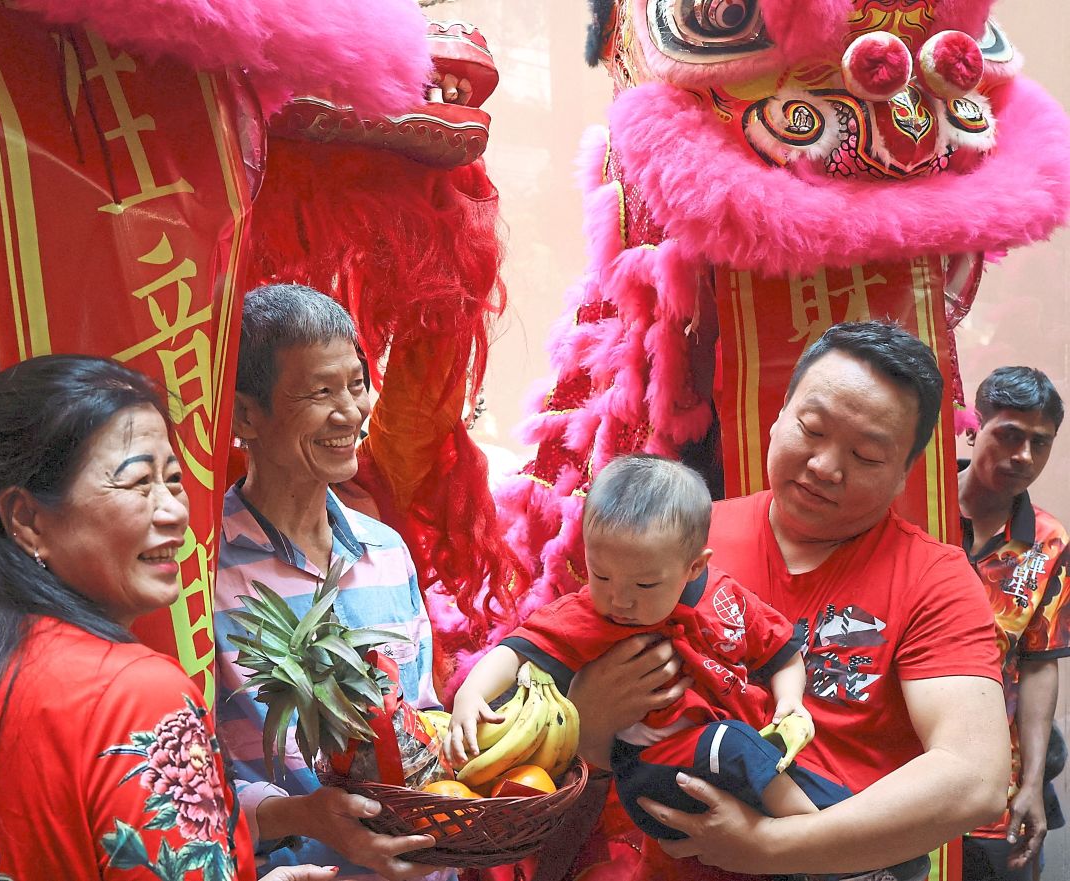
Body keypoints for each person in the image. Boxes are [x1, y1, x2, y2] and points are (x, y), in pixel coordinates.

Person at [570, 321, 1010, 880]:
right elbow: (590, 734)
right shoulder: (678, 543)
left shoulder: (935, 578)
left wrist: (773, 845)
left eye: (868, 455)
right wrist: (588, 723)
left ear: (904, 474)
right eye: (812, 428)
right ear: (778, 417)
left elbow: (975, 780)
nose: (826, 466)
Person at [0, 355, 263, 879]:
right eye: (138, 482)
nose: (173, 511)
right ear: (28, 520)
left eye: (172, 479)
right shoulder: (137, 695)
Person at [451, 454, 928, 881]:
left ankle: (887, 858)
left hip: (735, 758)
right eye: (601, 575)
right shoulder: (587, 615)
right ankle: (824, 855)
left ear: (695, 568)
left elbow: (782, 653)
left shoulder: (725, 597)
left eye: (644, 583)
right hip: (653, 773)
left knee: (803, 772)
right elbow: (516, 651)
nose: (619, 598)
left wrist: (788, 705)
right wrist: (471, 693)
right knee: (736, 744)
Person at [213, 284, 440, 881]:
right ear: (244, 416)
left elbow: (423, 719)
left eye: (356, 384)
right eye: (320, 392)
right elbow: (185, 790)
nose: (352, 411)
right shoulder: (201, 574)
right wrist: (306, 816)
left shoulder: (387, 551)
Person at [958, 366, 1070, 881]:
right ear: (973, 427)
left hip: (994, 786)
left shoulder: (1048, 542)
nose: (1023, 455)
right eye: (1009, 434)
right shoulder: (914, 507)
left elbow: (1040, 665)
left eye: (1039, 443)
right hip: (894, 769)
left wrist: (1030, 784)